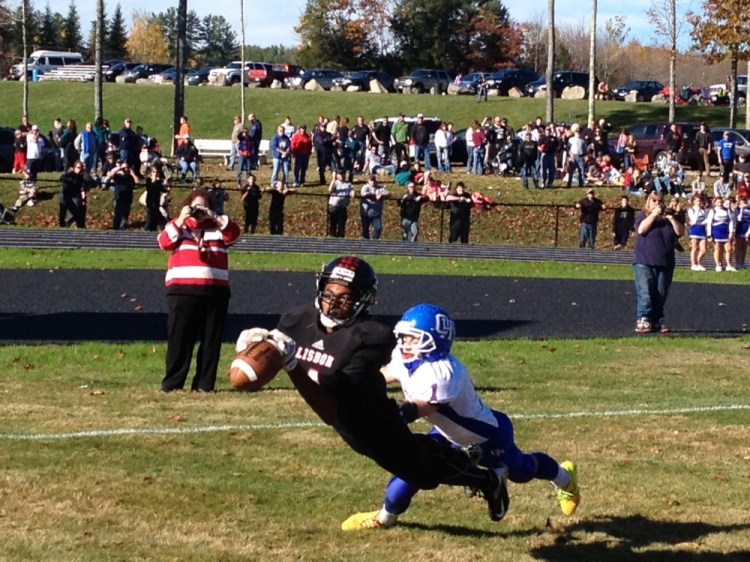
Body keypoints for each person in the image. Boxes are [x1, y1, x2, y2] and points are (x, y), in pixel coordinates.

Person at [235, 257, 510, 528]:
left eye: (346, 296)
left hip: (374, 420)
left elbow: (333, 403)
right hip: (344, 422)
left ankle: (486, 479)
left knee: (423, 474)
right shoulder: (296, 319)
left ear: (363, 299)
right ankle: (457, 456)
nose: (335, 301)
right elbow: (274, 351)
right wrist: (256, 346)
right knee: (416, 462)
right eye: (330, 293)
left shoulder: (373, 336)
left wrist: (293, 365)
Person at [340, 303, 580, 530]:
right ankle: (384, 518)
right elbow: (384, 375)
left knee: (523, 470)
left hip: (487, 436)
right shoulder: (407, 360)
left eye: (412, 338)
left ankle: (564, 477)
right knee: (411, 467)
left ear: (434, 340)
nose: (405, 344)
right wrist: (354, 381)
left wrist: (394, 414)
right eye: (403, 337)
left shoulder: (444, 372)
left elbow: (425, 407)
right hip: (446, 432)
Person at [158, 188, 241, 392]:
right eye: (195, 206)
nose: (199, 211)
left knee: (211, 340)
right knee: (180, 339)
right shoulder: (178, 224)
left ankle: (205, 384)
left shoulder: (218, 227)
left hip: (215, 291)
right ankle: (172, 383)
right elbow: (163, 243)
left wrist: (214, 216)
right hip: (182, 291)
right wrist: (181, 219)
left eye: (203, 206)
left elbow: (235, 235)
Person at [633, 192, 684, 333]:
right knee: (645, 292)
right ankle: (643, 318)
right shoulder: (643, 215)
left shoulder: (668, 218)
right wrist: (654, 215)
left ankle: (656, 320)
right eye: (653, 200)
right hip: (645, 260)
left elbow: (680, 232)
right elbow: (641, 229)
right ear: (648, 202)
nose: (657, 203)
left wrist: (671, 218)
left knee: (661, 293)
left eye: (659, 201)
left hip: (665, 262)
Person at [105, 159, 139, 230]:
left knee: (125, 215)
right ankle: (116, 228)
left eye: (127, 168)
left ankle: (122, 228)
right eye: (124, 168)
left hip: (128, 198)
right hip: (119, 198)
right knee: (118, 215)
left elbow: (137, 181)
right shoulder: (118, 176)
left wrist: (132, 173)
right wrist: (119, 168)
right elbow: (111, 175)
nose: (126, 169)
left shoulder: (130, 177)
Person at [706, 196, 736, 271]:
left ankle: (729, 265)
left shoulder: (727, 210)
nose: (720, 203)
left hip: (725, 231)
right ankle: (718, 264)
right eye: (718, 202)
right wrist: (709, 234)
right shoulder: (713, 210)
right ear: (715, 203)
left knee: (728, 249)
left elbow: (731, 221)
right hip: (716, 231)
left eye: (721, 202)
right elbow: (709, 223)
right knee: (718, 249)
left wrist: (731, 232)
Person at [58, 161, 87, 228]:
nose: (80, 169)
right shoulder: (70, 174)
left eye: (81, 168)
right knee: (63, 209)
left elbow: (91, 182)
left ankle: (69, 223)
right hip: (65, 194)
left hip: (74, 195)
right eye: (78, 168)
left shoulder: (83, 176)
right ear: (74, 168)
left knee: (77, 209)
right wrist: (70, 180)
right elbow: (61, 178)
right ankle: (62, 225)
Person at [360, 175, 389, 239]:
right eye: (371, 180)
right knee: (365, 229)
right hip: (366, 213)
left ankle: (374, 240)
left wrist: (382, 195)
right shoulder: (365, 187)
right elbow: (364, 194)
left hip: (376, 213)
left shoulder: (379, 187)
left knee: (378, 228)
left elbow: (388, 193)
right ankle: (366, 242)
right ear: (368, 181)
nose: (373, 182)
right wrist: (375, 195)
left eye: (374, 180)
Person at [327, 170, 354, 238]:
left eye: (343, 174)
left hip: (342, 207)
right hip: (334, 207)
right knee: (333, 225)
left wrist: (352, 193)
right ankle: (332, 239)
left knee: (341, 225)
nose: (341, 175)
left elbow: (351, 191)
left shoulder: (348, 184)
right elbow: (330, 190)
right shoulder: (335, 183)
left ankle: (341, 241)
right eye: (339, 174)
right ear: (337, 175)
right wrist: (333, 178)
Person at [687, 193, 708, 271]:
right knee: (694, 248)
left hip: (702, 229)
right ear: (693, 201)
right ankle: (693, 264)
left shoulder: (703, 210)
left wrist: (702, 223)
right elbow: (694, 220)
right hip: (695, 230)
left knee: (703, 249)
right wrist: (697, 211)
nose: (699, 202)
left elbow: (707, 219)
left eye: (700, 201)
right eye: (697, 201)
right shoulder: (691, 210)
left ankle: (698, 262)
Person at [144, 165, 168, 231]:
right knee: (151, 217)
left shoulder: (159, 181)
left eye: (157, 172)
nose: (156, 173)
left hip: (156, 201)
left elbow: (162, 189)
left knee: (155, 217)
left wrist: (167, 188)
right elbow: (149, 188)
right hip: (150, 202)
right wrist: (154, 179)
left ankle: (153, 229)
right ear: (151, 172)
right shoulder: (148, 180)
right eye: (154, 172)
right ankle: (147, 229)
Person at [734, 197, 750, 268]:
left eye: (744, 202)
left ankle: (742, 263)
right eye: (741, 202)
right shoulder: (737, 209)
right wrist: (741, 209)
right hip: (739, 229)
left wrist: (748, 232)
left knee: (744, 247)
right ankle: (737, 263)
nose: (743, 204)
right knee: (738, 247)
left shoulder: (749, 210)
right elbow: (739, 219)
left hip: (747, 229)